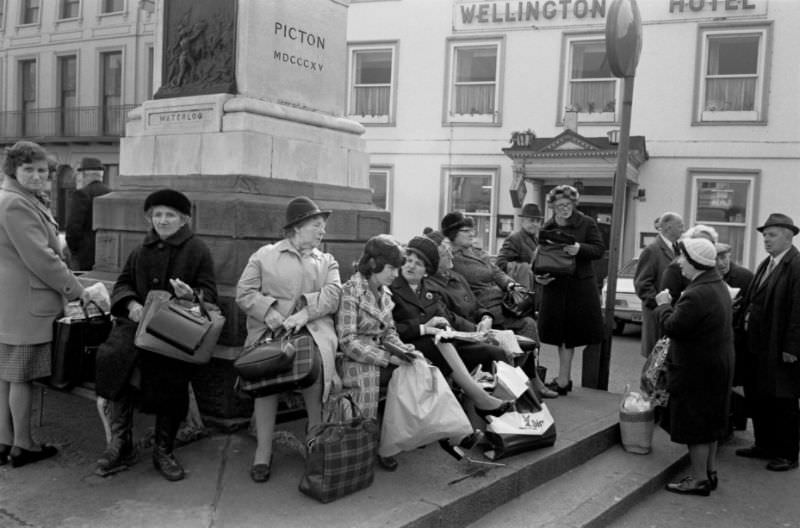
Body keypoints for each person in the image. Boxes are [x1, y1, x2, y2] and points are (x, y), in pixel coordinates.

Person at [97, 189, 217, 481]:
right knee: (114, 357)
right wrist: (132, 304)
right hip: (137, 326)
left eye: (170, 215)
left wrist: (192, 295)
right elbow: (123, 284)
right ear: (150, 218)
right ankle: (121, 443)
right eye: (157, 215)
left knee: (171, 372)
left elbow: (210, 294)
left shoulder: (197, 249)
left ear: (184, 219)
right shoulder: (141, 250)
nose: (162, 221)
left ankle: (164, 449)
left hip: (175, 330)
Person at [0, 141, 93, 468]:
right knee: (20, 376)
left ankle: (5, 440)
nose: (38, 176)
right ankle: (23, 445)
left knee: (7, 375)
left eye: (42, 170)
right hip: (26, 303)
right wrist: (75, 289)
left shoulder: (17, 198)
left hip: (11, 301)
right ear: (14, 170)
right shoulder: (16, 204)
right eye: (29, 170)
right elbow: (41, 258)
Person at [235, 196, 341, 483]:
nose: (322, 231)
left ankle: (314, 440)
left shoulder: (327, 260)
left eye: (323, 226)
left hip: (312, 331)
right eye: (317, 225)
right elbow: (244, 292)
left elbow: (333, 295)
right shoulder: (264, 255)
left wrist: (304, 315)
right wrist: (268, 312)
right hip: (271, 334)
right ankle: (263, 450)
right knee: (265, 380)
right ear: (296, 227)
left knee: (316, 373)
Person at [337, 235, 430, 471]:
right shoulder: (351, 291)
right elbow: (347, 341)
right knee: (378, 376)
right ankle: (363, 445)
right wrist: (387, 358)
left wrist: (404, 350)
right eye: (391, 268)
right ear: (373, 264)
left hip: (380, 353)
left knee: (413, 367)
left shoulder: (384, 293)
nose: (395, 274)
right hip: (356, 359)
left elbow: (389, 332)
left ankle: (391, 442)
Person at [425, 230, 556, 398]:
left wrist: (486, 317)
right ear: (434, 260)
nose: (450, 255)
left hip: (483, 321)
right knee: (500, 348)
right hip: (465, 335)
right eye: (445, 253)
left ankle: (525, 385)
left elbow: (477, 304)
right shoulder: (435, 284)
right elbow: (451, 318)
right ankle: (514, 393)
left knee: (526, 331)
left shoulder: (457, 275)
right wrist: (479, 329)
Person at [391, 236, 513, 413]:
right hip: (415, 346)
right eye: (408, 261)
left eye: (418, 263)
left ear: (426, 271)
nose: (410, 266)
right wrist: (425, 326)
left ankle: (502, 416)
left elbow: (446, 319)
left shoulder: (429, 290)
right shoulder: (393, 288)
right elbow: (392, 329)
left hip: (445, 344)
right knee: (437, 342)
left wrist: (473, 333)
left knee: (493, 352)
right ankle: (482, 401)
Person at [654, 238, 733, 496]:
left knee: (696, 425)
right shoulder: (716, 284)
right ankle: (709, 473)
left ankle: (699, 480)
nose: (679, 263)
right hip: (715, 365)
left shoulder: (697, 293)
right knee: (709, 424)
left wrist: (664, 304)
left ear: (695, 262)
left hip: (697, 369)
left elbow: (673, 326)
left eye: (683, 258)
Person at [736, 213, 800, 472]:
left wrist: (792, 348)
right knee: (759, 397)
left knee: (783, 401)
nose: (766, 239)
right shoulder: (767, 263)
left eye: (772, 235)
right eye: (764, 235)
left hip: (779, 348)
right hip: (758, 346)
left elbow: (798, 310)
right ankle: (763, 444)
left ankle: (787, 453)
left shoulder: (796, 265)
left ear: (789, 236)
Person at [534, 185, 605, 395]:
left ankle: (563, 380)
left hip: (579, 288)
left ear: (574, 204)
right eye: (558, 206)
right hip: (555, 286)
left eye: (567, 204)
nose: (563, 209)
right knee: (560, 336)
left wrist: (579, 248)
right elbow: (541, 255)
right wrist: (539, 276)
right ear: (552, 207)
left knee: (572, 336)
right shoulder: (548, 226)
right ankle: (563, 379)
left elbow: (599, 249)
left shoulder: (586, 223)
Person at [634, 212, 684, 358]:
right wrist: (659, 306)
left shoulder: (678, 249)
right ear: (668, 227)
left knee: (669, 360)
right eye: (680, 226)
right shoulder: (652, 250)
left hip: (672, 315)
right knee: (657, 361)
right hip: (658, 317)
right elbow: (642, 283)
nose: (683, 229)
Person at [716, 242, 754, 432]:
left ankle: (737, 422)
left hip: (738, 338)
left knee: (737, 382)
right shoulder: (710, 277)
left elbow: (751, 308)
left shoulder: (744, 276)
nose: (721, 262)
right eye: (717, 258)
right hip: (718, 338)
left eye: (724, 257)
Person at [65, 157, 110, 271]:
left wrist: (75, 250)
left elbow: (73, 227)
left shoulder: (81, 194)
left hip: (84, 255)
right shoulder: (111, 193)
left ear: (84, 175)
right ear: (101, 175)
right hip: (108, 253)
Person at [660, 224, 717, 303]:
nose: (703, 247)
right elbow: (668, 300)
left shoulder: (715, 266)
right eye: (698, 243)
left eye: (708, 244)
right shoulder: (675, 268)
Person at [495, 203, 544, 291]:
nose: (535, 224)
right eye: (532, 220)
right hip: (521, 291)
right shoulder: (514, 238)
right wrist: (525, 268)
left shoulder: (536, 240)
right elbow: (500, 264)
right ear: (522, 221)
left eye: (538, 221)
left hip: (533, 289)